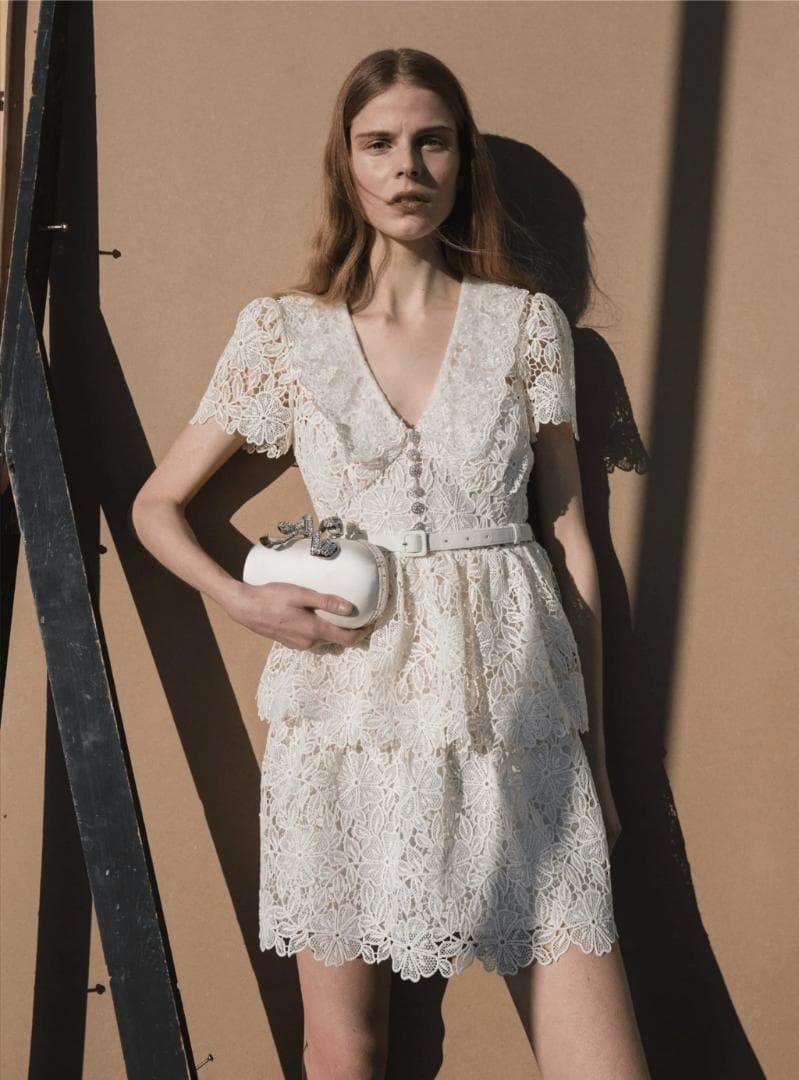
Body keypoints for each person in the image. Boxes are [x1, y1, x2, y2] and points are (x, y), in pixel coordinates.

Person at [131, 46, 650, 1080]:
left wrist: (592, 757)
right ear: (347, 164)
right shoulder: (283, 333)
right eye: (379, 144)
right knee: (341, 1050)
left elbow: (572, 543)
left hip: (513, 710)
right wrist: (243, 601)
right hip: (346, 714)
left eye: (430, 141)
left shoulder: (526, 325)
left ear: (461, 162)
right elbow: (158, 506)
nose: (407, 167)